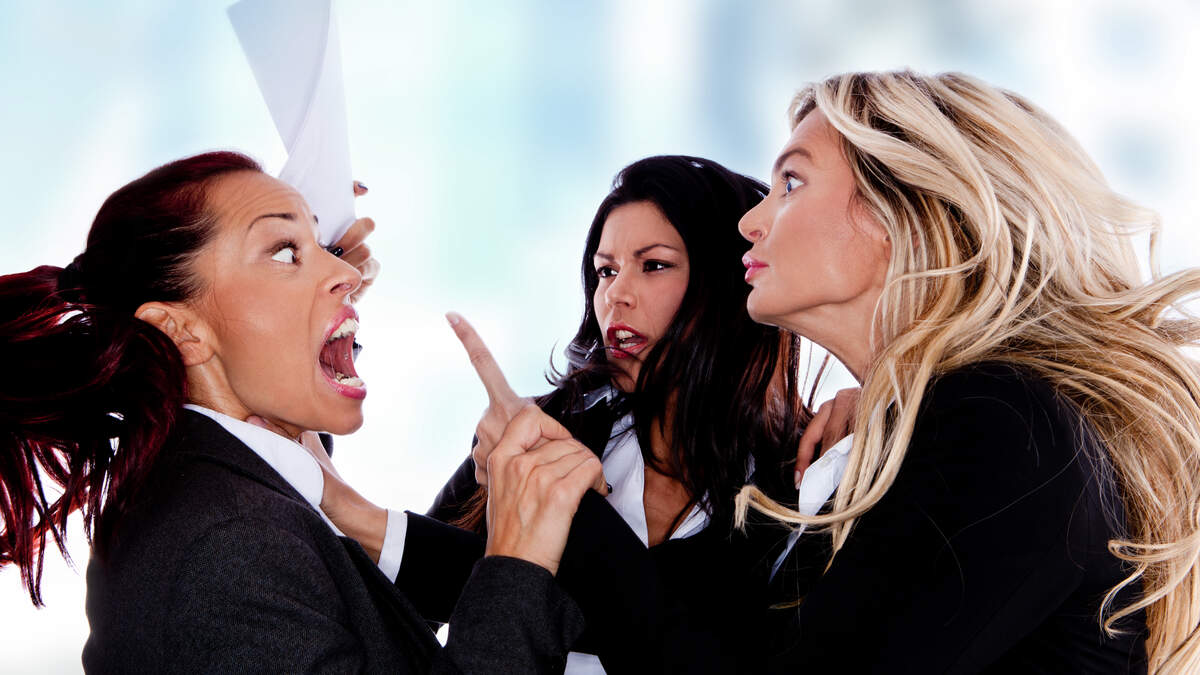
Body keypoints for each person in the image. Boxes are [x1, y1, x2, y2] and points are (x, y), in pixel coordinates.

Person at [0, 151, 603, 673]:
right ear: (182, 331)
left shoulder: (226, 489)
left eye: (323, 247)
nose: (349, 272)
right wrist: (516, 560)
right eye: (285, 251)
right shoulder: (232, 548)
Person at [734, 70, 1200, 672]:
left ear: (903, 207)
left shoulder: (1002, 421)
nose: (751, 221)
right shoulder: (955, 426)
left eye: (792, 182)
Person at [322, 155, 821, 673]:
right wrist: (317, 309)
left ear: (734, 278)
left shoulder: (810, 478)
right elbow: (418, 606)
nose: (615, 295)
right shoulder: (544, 427)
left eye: (653, 265)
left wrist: (561, 499)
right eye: (606, 271)